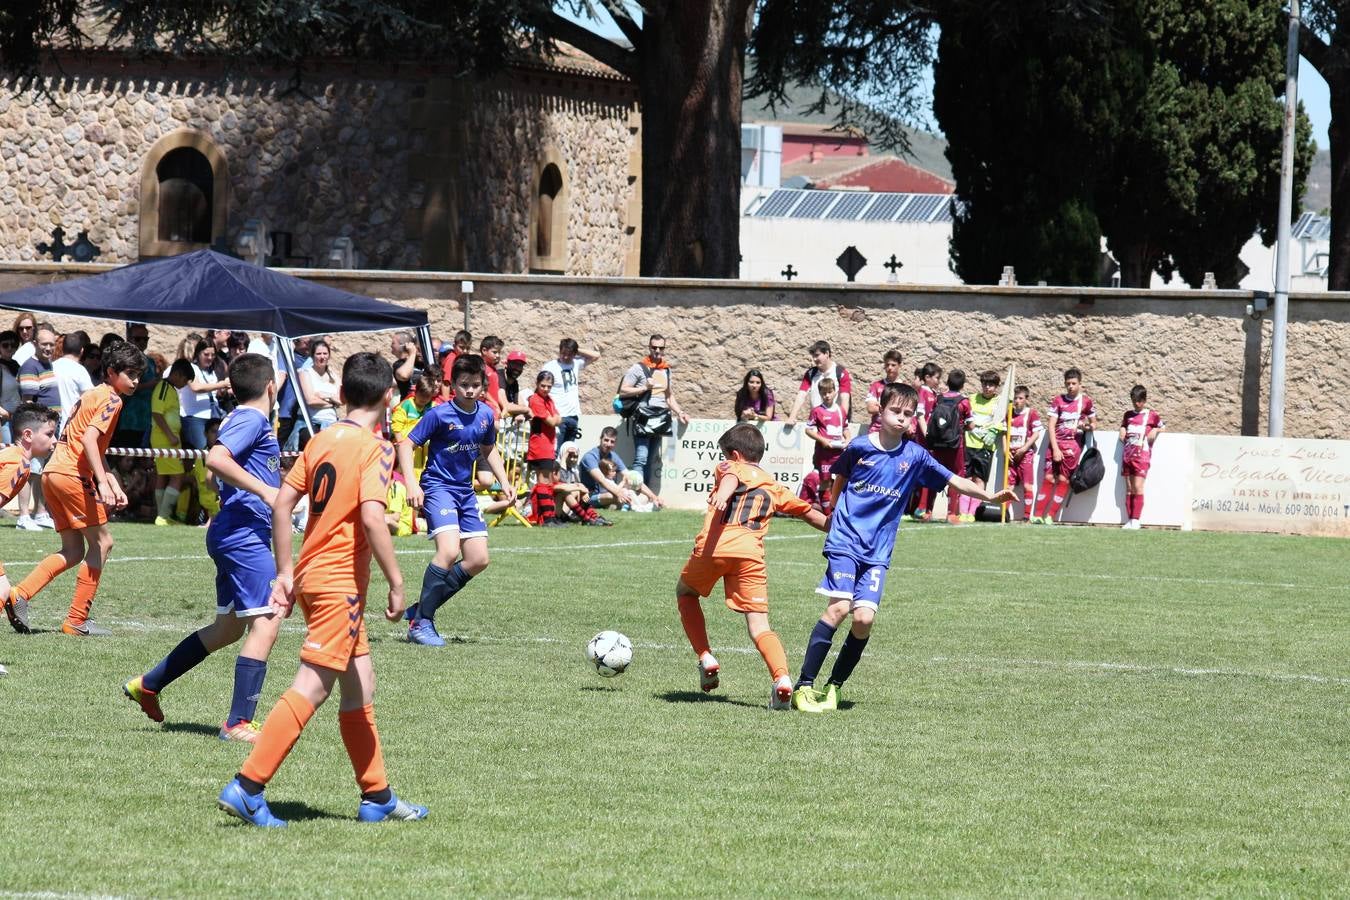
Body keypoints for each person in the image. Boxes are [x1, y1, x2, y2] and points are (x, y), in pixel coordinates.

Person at [217, 351, 427, 827]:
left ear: (344, 394)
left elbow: (283, 503)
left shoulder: (319, 440)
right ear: (389, 398)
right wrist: (397, 582)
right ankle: (248, 786)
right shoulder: (377, 448)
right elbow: (374, 517)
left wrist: (287, 571)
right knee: (311, 686)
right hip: (339, 586)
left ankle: (378, 796)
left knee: (360, 683)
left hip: (312, 577)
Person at [792, 383, 1016, 712]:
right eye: (895, 411)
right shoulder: (858, 448)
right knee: (839, 608)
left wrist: (991, 496)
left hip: (878, 551)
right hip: (846, 540)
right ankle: (804, 686)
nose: (901, 418)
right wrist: (835, 512)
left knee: (864, 619)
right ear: (879, 412)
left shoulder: (914, 456)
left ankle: (833, 687)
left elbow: (955, 480)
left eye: (908, 414)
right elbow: (839, 479)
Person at [124, 354, 285, 741]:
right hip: (243, 533)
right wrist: (265, 491)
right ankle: (238, 723)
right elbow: (216, 459)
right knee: (267, 621)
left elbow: (216, 475)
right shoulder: (253, 419)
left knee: (227, 629)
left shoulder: (237, 419)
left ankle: (148, 684)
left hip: (234, 529)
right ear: (271, 388)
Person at [676, 423, 830, 709]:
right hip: (750, 555)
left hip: (715, 547)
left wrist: (723, 494)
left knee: (685, 593)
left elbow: (732, 475)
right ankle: (782, 679)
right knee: (759, 625)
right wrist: (842, 530)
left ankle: (706, 656)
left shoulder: (731, 467)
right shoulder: (774, 486)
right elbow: (811, 515)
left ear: (734, 454)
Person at [7, 341, 145, 636]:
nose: (135, 381)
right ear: (111, 371)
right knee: (102, 543)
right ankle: (77, 619)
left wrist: (109, 481)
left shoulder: (92, 394)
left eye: (138, 375)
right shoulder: (112, 399)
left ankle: (19, 594)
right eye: (130, 374)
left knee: (72, 550)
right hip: (72, 474)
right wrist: (100, 483)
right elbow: (89, 441)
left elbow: (87, 441)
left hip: (53, 472)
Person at [397, 354, 513, 648]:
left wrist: (505, 481)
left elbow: (489, 449)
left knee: (478, 559)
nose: (470, 390)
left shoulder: (486, 415)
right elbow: (406, 444)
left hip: (464, 491)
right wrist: (411, 483)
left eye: (475, 385)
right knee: (448, 552)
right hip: (438, 488)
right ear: (453, 385)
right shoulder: (438, 414)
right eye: (463, 385)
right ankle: (421, 624)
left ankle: (421, 608)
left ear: (483, 385)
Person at [1, 405, 59, 634]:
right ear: (27, 435)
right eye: (49, 434)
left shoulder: (12, 456)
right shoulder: (18, 464)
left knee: (3, 589)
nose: (54, 441)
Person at [618, 334, 687, 487]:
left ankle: (645, 497)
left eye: (660, 348)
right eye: (654, 347)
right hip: (643, 416)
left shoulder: (666, 370)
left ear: (664, 349)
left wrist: (680, 412)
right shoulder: (639, 368)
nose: (657, 350)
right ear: (649, 347)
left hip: (661, 417)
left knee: (650, 459)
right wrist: (644, 388)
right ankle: (635, 496)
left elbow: (669, 396)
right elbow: (623, 391)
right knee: (641, 458)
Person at [1032, 367, 1095, 524]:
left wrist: (1086, 426)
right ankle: (1038, 515)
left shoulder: (1086, 402)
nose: (1070, 386)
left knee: (1063, 480)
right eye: (1068, 383)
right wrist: (1055, 448)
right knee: (1048, 478)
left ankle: (1050, 516)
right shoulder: (1058, 400)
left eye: (1074, 383)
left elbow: (1093, 423)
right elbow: (1051, 425)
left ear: (1080, 384)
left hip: (1073, 447)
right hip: (1056, 444)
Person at [17, 325, 61, 531]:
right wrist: (32, 431)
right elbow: (27, 403)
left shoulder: (47, 365)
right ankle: (24, 516)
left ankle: (41, 512)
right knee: (29, 471)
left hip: (48, 430)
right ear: (35, 344)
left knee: (43, 472)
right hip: (35, 430)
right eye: (44, 344)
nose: (49, 348)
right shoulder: (30, 367)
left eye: (52, 344)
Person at [957, 370, 1005, 523]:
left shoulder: (1000, 403)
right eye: (985, 384)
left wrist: (994, 431)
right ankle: (963, 512)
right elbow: (963, 416)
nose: (987, 387)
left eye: (991, 385)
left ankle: (972, 512)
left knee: (979, 479)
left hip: (986, 446)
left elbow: (1003, 421)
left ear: (996, 387)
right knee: (967, 478)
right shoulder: (971, 399)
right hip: (969, 444)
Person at [151, 360, 195, 526]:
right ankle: (163, 516)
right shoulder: (163, 388)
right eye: (184, 381)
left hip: (167, 439)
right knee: (178, 475)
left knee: (163, 475)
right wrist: (170, 436)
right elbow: (157, 413)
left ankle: (161, 515)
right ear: (177, 374)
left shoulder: (170, 389)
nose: (184, 385)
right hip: (165, 439)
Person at [926, 369, 972, 525]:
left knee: (933, 474)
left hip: (936, 443)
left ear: (948, 382)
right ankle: (951, 514)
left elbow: (931, 417)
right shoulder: (964, 401)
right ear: (962, 384)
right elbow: (970, 424)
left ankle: (927, 511)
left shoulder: (938, 398)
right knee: (956, 476)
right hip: (955, 444)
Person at [580, 426, 664, 510]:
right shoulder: (590, 457)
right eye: (606, 440)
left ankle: (619, 505)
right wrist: (618, 493)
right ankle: (628, 506)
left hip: (611, 493)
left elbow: (631, 477)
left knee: (644, 497)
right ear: (600, 439)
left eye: (612, 441)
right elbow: (602, 481)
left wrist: (653, 497)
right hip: (590, 496)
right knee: (612, 495)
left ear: (615, 443)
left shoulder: (613, 456)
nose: (609, 444)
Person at [541, 337, 601, 454]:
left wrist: (577, 351)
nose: (565, 357)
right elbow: (541, 389)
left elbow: (596, 355)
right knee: (556, 453)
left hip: (573, 416)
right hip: (558, 416)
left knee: (569, 453)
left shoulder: (576, 363)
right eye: (563, 353)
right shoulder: (550, 366)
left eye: (569, 354)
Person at [1118, 385, 1164, 530]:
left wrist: (1156, 430)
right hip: (1127, 454)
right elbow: (1124, 425)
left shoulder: (1151, 415)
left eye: (1139, 401)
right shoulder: (1128, 415)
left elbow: (1163, 426)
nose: (1136, 404)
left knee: (1138, 486)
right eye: (1134, 401)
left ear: (1144, 400)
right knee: (1129, 488)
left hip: (1142, 456)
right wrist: (1122, 429)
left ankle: (1136, 519)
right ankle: (1129, 520)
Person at [390, 373, 441, 485]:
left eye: (427, 396)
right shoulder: (406, 405)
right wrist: (401, 444)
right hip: (408, 443)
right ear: (416, 391)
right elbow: (396, 426)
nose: (423, 399)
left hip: (425, 446)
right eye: (421, 395)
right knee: (408, 465)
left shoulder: (434, 407)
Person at [114, 323, 158, 448]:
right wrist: (151, 384)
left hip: (147, 417)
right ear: (130, 339)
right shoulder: (125, 361)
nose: (142, 342)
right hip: (130, 417)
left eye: (145, 339)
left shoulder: (150, 362)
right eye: (138, 338)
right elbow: (124, 386)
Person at [786, 340, 853, 424]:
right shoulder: (810, 374)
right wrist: (792, 417)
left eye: (817, 355)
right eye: (813, 356)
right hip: (816, 421)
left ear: (827, 354)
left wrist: (841, 421)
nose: (814, 359)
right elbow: (801, 395)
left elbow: (845, 399)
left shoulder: (841, 373)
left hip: (835, 422)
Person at [181, 340, 230, 451]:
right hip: (194, 417)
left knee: (214, 450)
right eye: (206, 354)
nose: (210, 358)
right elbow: (196, 388)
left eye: (213, 355)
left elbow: (213, 392)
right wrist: (221, 384)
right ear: (198, 353)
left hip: (212, 418)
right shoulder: (190, 367)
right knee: (201, 451)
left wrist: (223, 390)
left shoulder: (211, 372)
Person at [804, 376, 849, 495]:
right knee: (825, 481)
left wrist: (848, 439)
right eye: (824, 393)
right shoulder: (817, 411)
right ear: (820, 394)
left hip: (839, 451)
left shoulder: (841, 411)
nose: (827, 395)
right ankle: (826, 512)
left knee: (842, 479)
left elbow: (845, 428)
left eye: (830, 392)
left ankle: (836, 508)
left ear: (835, 392)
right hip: (824, 453)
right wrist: (822, 440)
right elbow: (808, 430)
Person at [910, 362, 943, 521]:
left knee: (928, 471)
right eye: (937, 378)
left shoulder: (933, 393)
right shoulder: (923, 391)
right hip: (923, 440)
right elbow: (920, 415)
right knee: (921, 471)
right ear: (927, 377)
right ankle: (917, 507)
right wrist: (927, 435)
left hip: (931, 440)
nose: (938, 381)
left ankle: (924, 507)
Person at [1007, 385, 1043, 522]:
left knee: (1027, 485)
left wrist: (1024, 449)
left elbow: (1036, 433)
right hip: (1011, 454)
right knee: (1008, 486)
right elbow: (1005, 433)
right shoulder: (1009, 412)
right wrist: (1006, 450)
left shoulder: (1031, 413)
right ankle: (1004, 514)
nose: (1017, 401)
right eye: (1015, 398)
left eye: (1020, 398)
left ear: (1026, 399)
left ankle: (1027, 516)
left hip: (1025, 454)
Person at [300, 339, 341, 438]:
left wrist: (326, 395)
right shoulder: (305, 373)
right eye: (318, 354)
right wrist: (333, 404)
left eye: (325, 353)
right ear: (312, 356)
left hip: (332, 424)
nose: (322, 357)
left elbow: (341, 400)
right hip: (311, 424)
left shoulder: (334, 375)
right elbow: (311, 401)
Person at [52, 331, 94, 429]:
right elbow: (91, 398)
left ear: (63, 349)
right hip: (72, 427)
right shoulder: (80, 370)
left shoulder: (51, 367)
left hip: (52, 427)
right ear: (82, 351)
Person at [527, 371, 561, 476]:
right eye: (543, 386)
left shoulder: (549, 399)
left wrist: (555, 419)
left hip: (548, 445)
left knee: (547, 481)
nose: (546, 389)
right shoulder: (535, 399)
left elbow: (559, 419)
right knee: (544, 481)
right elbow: (552, 422)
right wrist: (555, 418)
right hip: (540, 446)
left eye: (549, 387)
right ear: (537, 384)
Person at [865, 350, 905, 433]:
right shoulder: (876, 385)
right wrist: (894, 409)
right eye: (887, 365)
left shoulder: (904, 388)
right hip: (876, 430)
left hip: (896, 431)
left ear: (900, 365)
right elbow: (871, 408)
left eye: (893, 365)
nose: (890, 368)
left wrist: (880, 407)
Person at [0, 330, 22, 443]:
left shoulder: (17, 366)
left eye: (13, 345)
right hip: (3, 420)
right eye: (5, 345)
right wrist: (5, 413)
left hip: (17, 419)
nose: (9, 348)